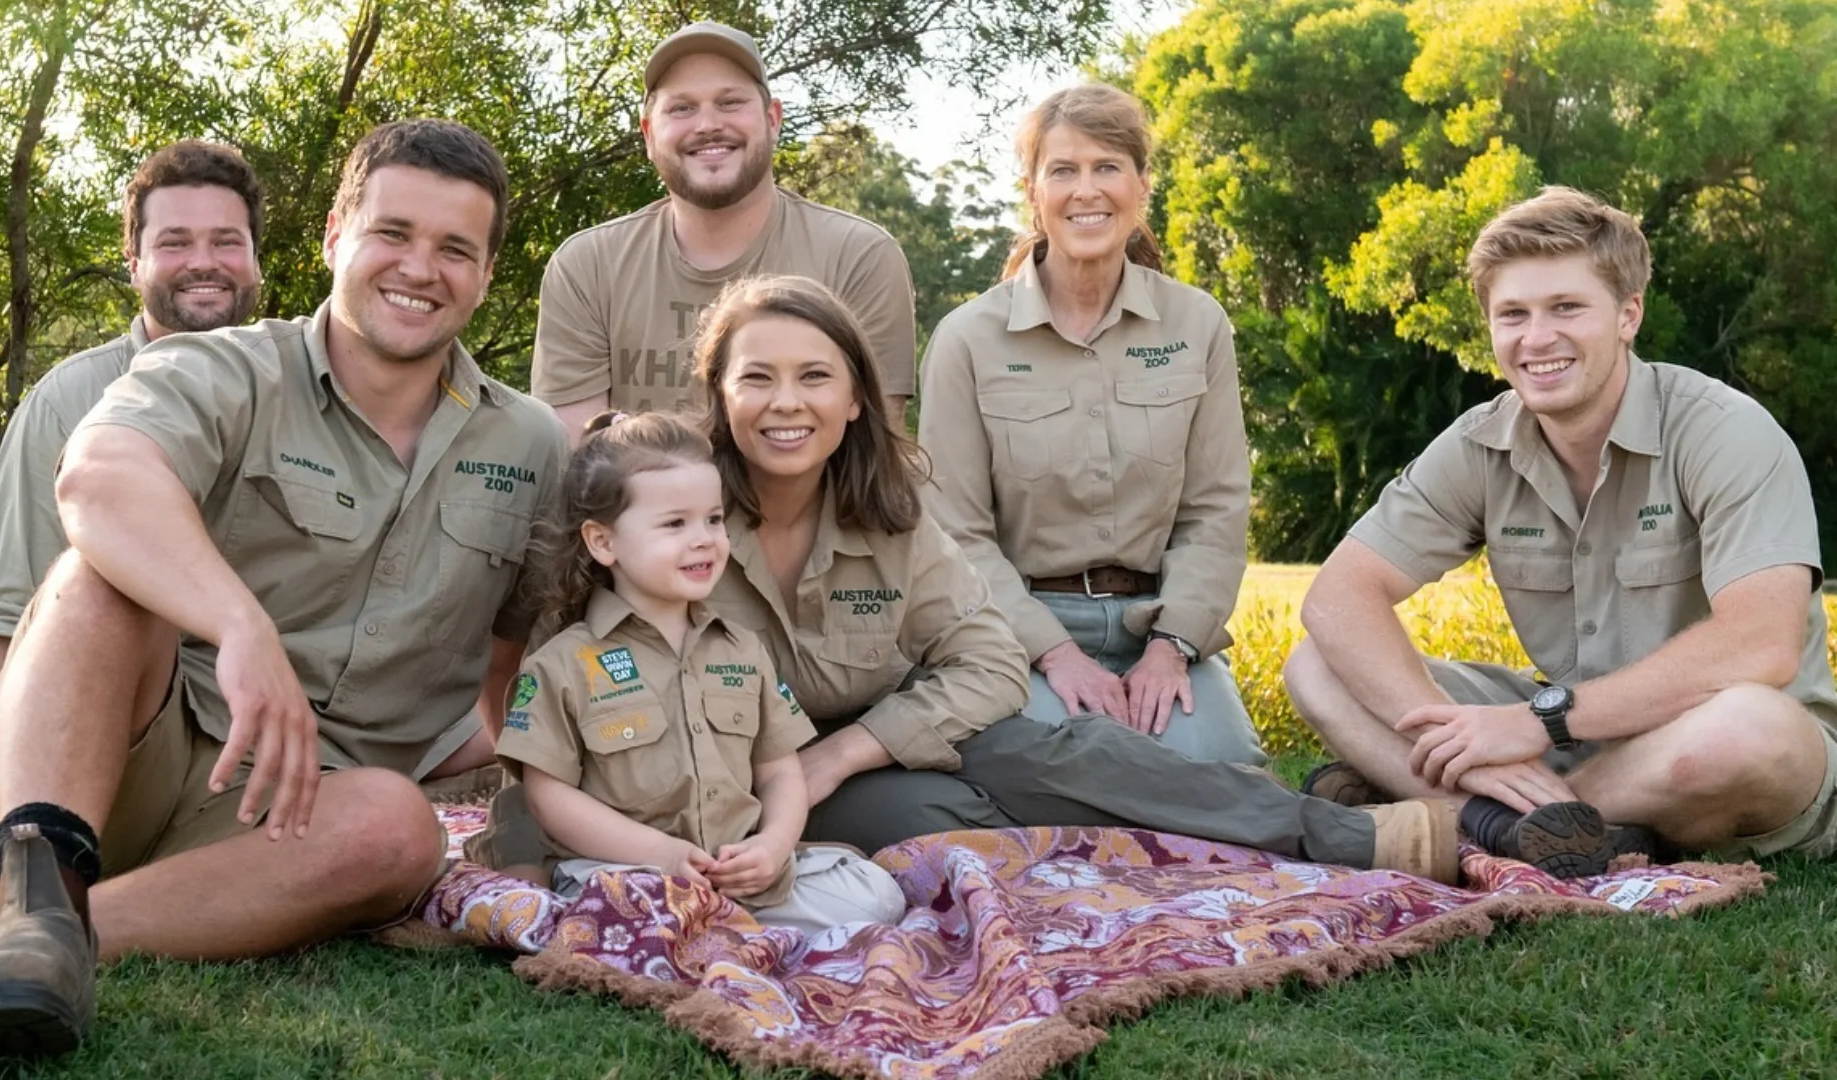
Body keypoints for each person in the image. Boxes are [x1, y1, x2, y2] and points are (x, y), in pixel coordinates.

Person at [474, 272, 1464, 892]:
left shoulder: (891, 508)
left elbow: (987, 660)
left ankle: (1355, 836)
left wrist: (852, 750)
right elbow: (560, 677)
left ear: (858, 396)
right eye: (757, 378)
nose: (786, 403)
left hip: (874, 748)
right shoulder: (666, 512)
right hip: (741, 796)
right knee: (934, 822)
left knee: (1054, 751)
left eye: (815, 376)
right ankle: (1157, 853)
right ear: (719, 393)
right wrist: (521, 850)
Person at [0, 119, 567, 1061]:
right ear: (336, 234)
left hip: (297, 826)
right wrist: (238, 624)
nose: (419, 269)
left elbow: (515, 668)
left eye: (454, 249)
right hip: (132, 755)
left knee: (399, 826)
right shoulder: (221, 366)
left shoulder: (532, 444)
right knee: (97, 576)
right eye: (393, 233)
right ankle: (40, 873)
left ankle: (26, 935)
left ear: (487, 271)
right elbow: (98, 477)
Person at [1283, 186, 1837, 877]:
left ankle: (1462, 824)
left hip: (1715, 744)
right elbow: (1339, 596)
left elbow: (1761, 644)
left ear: (1628, 315)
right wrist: (1452, 733)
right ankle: (1542, 827)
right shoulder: (1480, 444)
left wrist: (1535, 724)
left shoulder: (1724, 430)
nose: (1536, 338)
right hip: (1567, 738)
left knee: (1747, 729)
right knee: (1316, 662)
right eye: (1512, 314)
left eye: (1566, 308)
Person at [918, 84, 1263, 766]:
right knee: (1071, 769)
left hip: (1157, 627)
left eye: (1107, 167)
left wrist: (1172, 650)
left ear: (1141, 186)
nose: (1087, 191)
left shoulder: (1197, 324)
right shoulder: (967, 339)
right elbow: (956, 534)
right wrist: (1057, 654)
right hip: (1016, 631)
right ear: (1033, 191)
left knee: (1226, 769)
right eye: (1063, 170)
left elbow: (1215, 511)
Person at [465, 412, 906, 933]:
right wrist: (660, 855)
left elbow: (780, 772)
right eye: (675, 524)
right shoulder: (564, 663)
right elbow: (548, 795)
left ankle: (713, 929)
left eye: (713, 520)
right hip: (627, 875)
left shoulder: (743, 649)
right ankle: (687, 933)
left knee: (876, 896)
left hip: (737, 876)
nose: (703, 540)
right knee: (609, 911)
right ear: (603, 542)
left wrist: (772, 845)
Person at [0, 141, 266, 823]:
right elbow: (6, 608)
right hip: (98, 733)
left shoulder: (292, 392)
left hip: (241, 741)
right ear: (135, 265)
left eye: (225, 241)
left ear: (254, 260)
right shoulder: (70, 400)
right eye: (175, 242)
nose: (203, 262)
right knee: (107, 575)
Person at [529, 20, 915, 438]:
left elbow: (874, 460)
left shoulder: (857, 256)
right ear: (648, 133)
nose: (708, 124)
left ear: (772, 119)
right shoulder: (588, 266)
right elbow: (578, 460)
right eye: (681, 108)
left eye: (730, 102)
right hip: (632, 507)